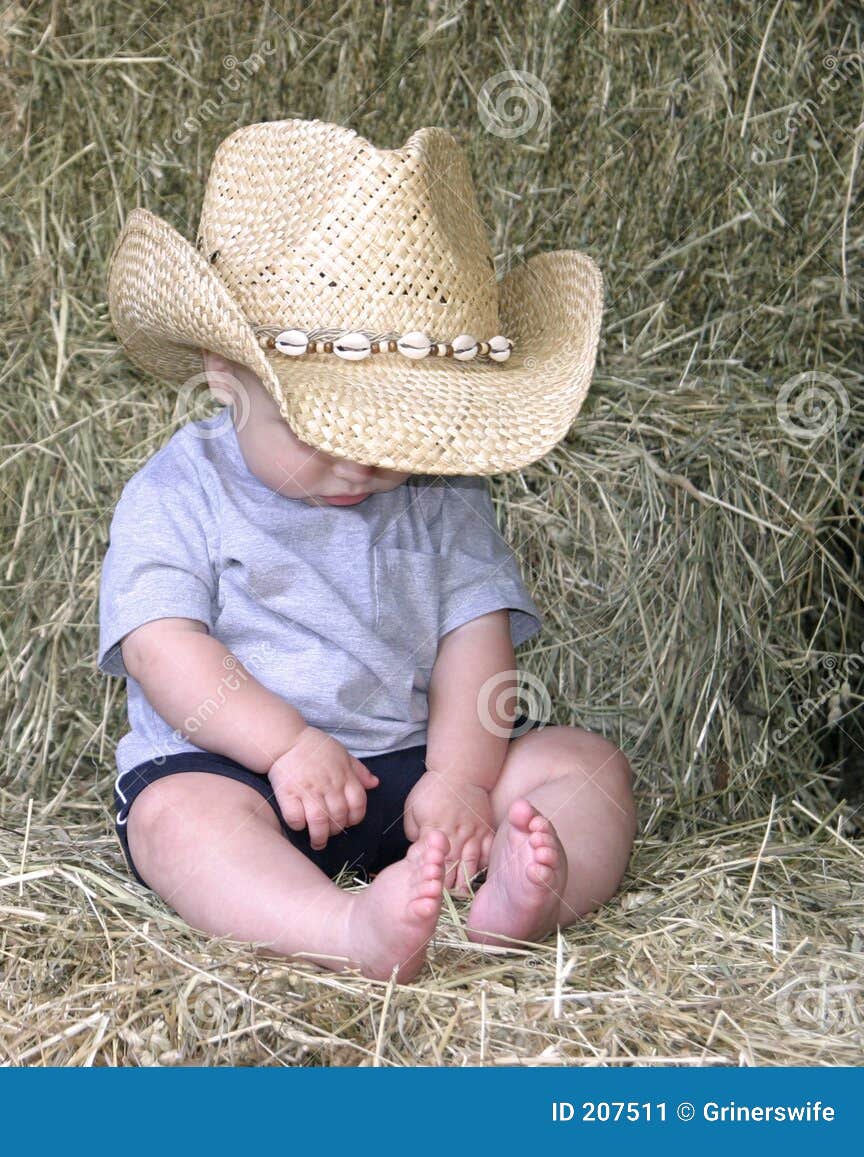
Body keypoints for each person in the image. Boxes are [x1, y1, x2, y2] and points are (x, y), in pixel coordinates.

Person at [97, 120, 636, 982]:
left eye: (392, 435)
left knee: (586, 767)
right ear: (223, 374)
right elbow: (161, 648)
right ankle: (344, 928)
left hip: (417, 775)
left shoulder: (443, 492)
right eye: (323, 429)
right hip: (243, 772)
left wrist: (462, 778)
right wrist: (283, 746)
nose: (362, 463)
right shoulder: (179, 489)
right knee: (176, 821)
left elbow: (477, 644)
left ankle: (522, 897)